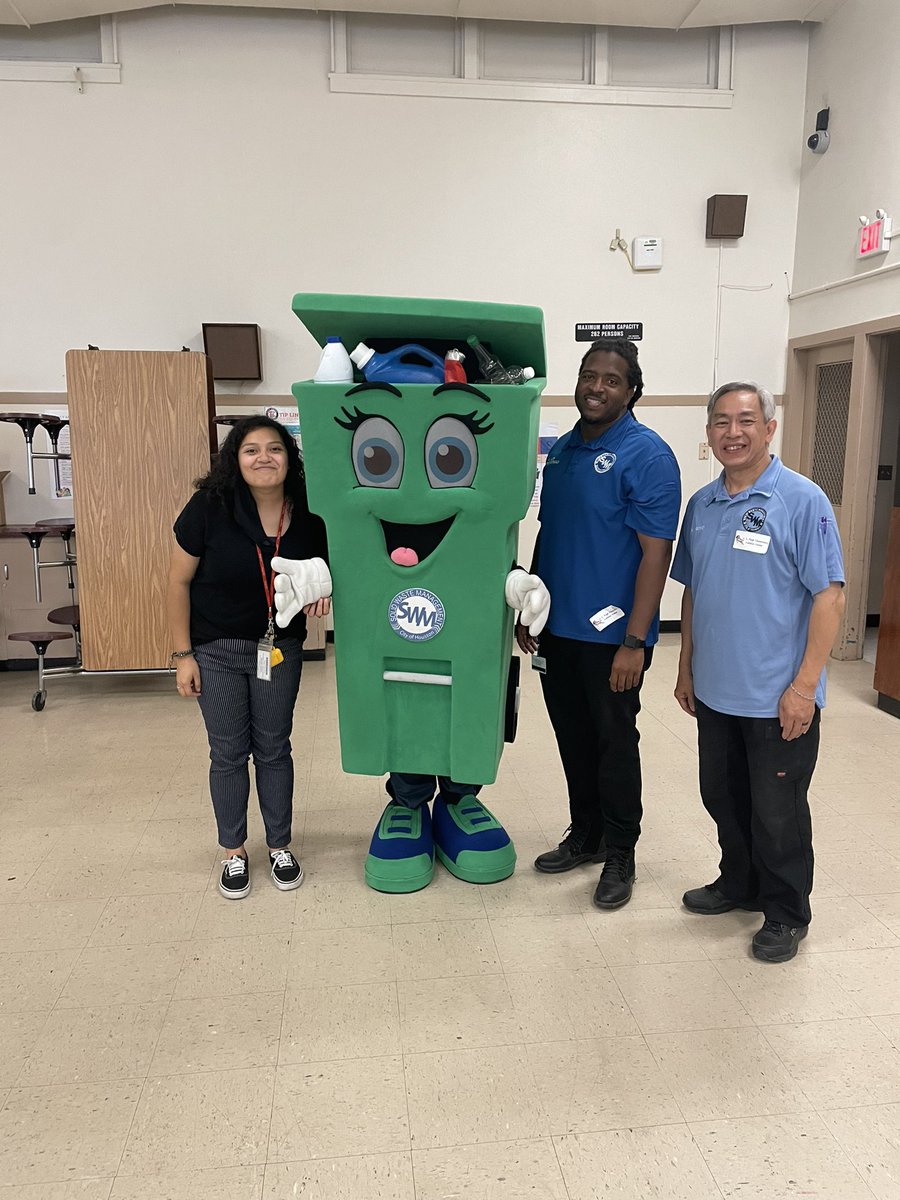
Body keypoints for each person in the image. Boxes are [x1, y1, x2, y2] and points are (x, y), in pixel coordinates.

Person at [671, 381, 845, 963]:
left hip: (778, 699)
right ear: (709, 434)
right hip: (717, 691)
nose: (733, 432)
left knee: (778, 813)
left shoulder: (801, 500)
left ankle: (787, 912)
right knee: (722, 796)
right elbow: (694, 591)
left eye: (746, 420)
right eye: (720, 422)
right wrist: (686, 665)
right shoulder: (702, 505)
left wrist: (803, 688)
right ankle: (738, 882)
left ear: (769, 428)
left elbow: (831, 599)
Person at [519, 338, 681, 909]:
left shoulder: (648, 455)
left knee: (614, 744)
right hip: (557, 630)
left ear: (633, 390)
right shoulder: (562, 451)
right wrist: (532, 604)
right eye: (590, 375)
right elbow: (551, 533)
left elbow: (655, 555)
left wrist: (635, 642)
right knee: (572, 739)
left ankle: (621, 852)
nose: (597, 387)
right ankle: (585, 834)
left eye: (612, 380)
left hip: (613, 638)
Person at [167, 416, 329, 899]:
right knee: (229, 753)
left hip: (281, 647)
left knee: (275, 748)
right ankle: (233, 852)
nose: (264, 458)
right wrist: (182, 655)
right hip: (215, 650)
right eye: (251, 449)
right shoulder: (208, 508)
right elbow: (177, 582)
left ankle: (279, 844)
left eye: (274, 448)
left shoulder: (312, 514)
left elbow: (324, 573)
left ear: (289, 458)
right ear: (235, 460)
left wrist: (323, 591)